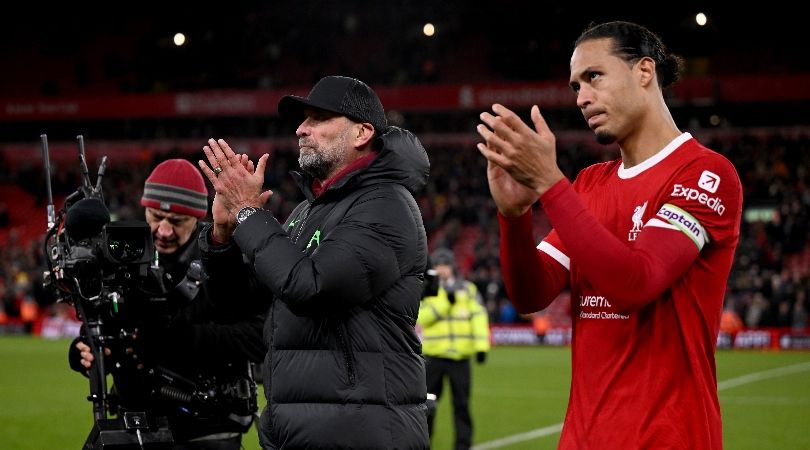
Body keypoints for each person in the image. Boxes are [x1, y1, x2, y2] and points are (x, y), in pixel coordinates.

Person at [476, 21, 742, 449]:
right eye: (575, 85)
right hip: (583, 439)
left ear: (644, 71)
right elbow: (531, 294)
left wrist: (549, 183)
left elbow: (635, 283)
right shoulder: (590, 184)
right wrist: (515, 217)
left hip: (669, 438)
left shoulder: (705, 173)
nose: (581, 98)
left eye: (593, 76)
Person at [197, 75, 431, 449]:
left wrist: (248, 213)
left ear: (361, 133)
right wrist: (222, 238)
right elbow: (240, 306)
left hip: (359, 432)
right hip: (299, 430)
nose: (301, 129)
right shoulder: (307, 211)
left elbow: (312, 287)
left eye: (318, 119)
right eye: (303, 120)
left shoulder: (387, 205)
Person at [70, 159, 266, 450]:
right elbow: (109, 326)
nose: (163, 231)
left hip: (207, 430)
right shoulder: (126, 254)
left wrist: (179, 338)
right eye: (155, 216)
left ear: (199, 218)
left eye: (176, 222)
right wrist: (86, 351)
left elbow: (259, 336)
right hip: (136, 424)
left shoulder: (224, 258)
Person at [417, 247, 490, 450]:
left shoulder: (467, 289)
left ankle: (463, 446)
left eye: (445, 265)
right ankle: (424, 444)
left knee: (462, 406)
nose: (442, 270)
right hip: (434, 357)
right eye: (438, 265)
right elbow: (421, 318)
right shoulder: (427, 290)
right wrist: (445, 305)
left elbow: (479, 318)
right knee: (427, 406)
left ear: (452, 267)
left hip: (460, 358)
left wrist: (482, 347)